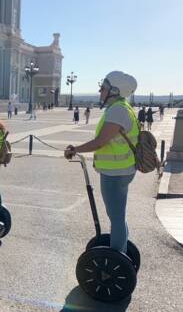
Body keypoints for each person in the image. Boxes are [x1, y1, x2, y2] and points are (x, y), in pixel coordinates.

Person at [64, 71, 139, 254]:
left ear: (114, 91)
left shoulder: (117, 111)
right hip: (121, 170)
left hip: (116, 172)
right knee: (117, 215)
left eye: (103, 88)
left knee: (116, 217)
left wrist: (75, 149)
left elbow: (100, 142)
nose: (100, 90)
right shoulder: (123, 107)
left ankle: (117, 255)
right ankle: (120, 251)